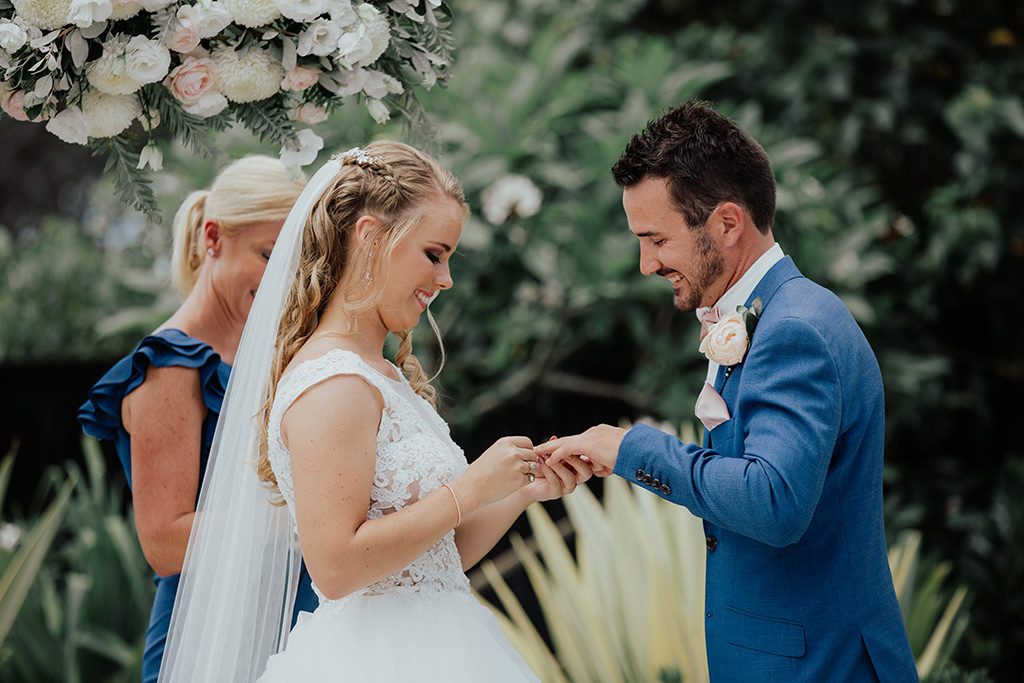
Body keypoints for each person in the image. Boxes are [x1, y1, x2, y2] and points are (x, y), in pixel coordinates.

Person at [157, 142, 589, 682]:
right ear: (370, 237)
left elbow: (438, 559)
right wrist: (472, 488)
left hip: (443, 645)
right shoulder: (333, 382)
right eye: (434, 254)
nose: (446, 278)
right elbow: (336, 566)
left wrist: (520, 490)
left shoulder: (380, 374)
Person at [537, 102, 919, 682]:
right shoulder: (771, 315)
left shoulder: (794, 329)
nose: (645, 263)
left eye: (656, 238)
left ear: (727, 223)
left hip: (819, 664)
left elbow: (772, 502)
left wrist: (631, 451)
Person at [78, 156, 318, 683]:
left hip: (294, 619)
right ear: (213, 237)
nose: (284, 280)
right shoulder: (169, 368)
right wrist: (319, 520)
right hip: (210, 639)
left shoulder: (270, 352)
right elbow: (165, 542)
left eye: (295, 263)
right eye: (267, 255)